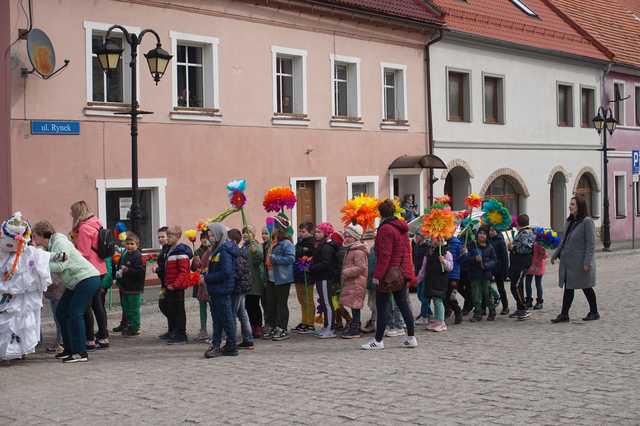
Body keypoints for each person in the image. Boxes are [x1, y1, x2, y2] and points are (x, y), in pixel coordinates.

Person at [32, 220, 101, 363]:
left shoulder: (60, 242)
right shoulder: (50, 246)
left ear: (42, 235)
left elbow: (62, 265)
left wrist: (40, 266)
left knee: (75, 313)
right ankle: (69, 349)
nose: (34, 240)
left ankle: (80, 352)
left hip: (86, 278)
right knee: (61, 312)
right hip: (76, 282)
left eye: (35, 237)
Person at [361, 199, 417, 350]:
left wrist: (377, 276)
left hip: (389, 274)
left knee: (382, 306)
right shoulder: (401, 227)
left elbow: (385, 255)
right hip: (402, 271)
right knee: (403, 304)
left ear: (381, 214)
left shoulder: (385, 229)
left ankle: (378, 340)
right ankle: (411, 337)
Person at [1, 213, 51, 361]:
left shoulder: (28, 253)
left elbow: (42, 257)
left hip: (21, 299)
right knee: (6, 325)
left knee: (21, 324)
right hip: (5, 296)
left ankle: (19, 351)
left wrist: (57, 256)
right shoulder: (3, 254)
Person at [551, 196, 599, 323]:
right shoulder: (570, 221)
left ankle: (594, 312)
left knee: (586, 287)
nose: (570, 206)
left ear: (579, 207)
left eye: (572, 204)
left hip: (581, 262)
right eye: (570, 204)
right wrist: (555, 254)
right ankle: (564, 314)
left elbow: (591, 244)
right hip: (569, 263)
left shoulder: (587, 222)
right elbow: (564, 240)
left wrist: (587, 262)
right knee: (569, 287)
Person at [69, 200, 109, 351]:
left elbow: (84, 253)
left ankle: (89, 338)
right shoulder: (96, 223)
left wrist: (72, 250)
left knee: (86, 306)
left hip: (89, 270)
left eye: (71, 211)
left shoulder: (84, 228)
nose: (70, 214)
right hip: (101, 267)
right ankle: (104, 336)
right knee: (98, 304)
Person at [204, 223, 239, 358]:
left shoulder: (223, 250)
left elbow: (226, 272)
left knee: (226, 319)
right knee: (218, 319)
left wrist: (207, 277)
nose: (210, 238)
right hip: (216, 289)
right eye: (209, 235)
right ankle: (217, 344)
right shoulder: (217, 249)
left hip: (222, 289)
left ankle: (231, 346)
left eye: (213, 235)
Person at [266, 217, 295, 341]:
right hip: (271, 278)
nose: (271, 228)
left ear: (279, 229)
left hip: (282, 279)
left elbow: (291, 259)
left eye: (273, 226)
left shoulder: (286, 243)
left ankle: (282, 328)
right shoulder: (272, 242)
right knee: (271, 304)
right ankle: (273, 327)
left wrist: (274, 258)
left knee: (281, 305)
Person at [309, 222, 340, 339]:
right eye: (315, 232)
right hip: (320, 277)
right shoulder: (321, 245)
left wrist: (312, 268)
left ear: (325, 233)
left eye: (319, 232)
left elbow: (326, 263)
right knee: (324, 301)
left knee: (327, 303)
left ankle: (330, 328)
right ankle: (326, 325)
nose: (316, 234)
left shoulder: (327, 247)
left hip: (325, 278)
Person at [163, 226, 193, 345]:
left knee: (179, 310)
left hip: (177, 287)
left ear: (178, 237)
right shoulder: (171, 249)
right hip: (170, 285)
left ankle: (181, 334)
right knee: (172, 310)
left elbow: (183, 271)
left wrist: (175, 285)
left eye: (171, 236)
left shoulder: (180, 251)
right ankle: (175, 331)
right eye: (168, 236)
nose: (168, 238)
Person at [416, 238, 453, 332]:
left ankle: (441, 322)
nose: (433, 241)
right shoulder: (429, 252)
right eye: (433, 239)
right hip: (430, 279)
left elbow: (450, 267)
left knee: (438, 300)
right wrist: (418, 279)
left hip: (440, 280)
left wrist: (444, 261)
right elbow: (424, 268)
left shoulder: (446, 253)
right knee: (434, 299)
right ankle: (437, 320)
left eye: (436, 239)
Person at [339, 224, 368, 339]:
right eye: (345, 235)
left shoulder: (358, 251)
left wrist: (346, 272)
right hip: (351, 282)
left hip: (357, 283)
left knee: (355, 306)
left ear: (355, 237)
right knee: (353, 305)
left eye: (349, 236)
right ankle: (355, 326)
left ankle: (355, 329)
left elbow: (361, 267)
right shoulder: (351, 249)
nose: (346, 238)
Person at [114, 232, 145, 336]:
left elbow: (140, 271)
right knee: (126, 307)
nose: (129, 246)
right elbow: (120, 266)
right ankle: (128, 324)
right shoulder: (125, 254)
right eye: (127, 244)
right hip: (125, 286)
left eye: (132, 244)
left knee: (133, 308)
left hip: (134, 287)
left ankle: (135, 327)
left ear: (137, 245)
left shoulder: (138, 256)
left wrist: (127, 270)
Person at [463, 226, 497, 322]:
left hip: (486, 275)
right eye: (480, 233)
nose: (482, 235)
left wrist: (486, 265)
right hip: (474, 275)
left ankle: (492, 311)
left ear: (487, 236)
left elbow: (494, 260)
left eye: (484, 234)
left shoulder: (490, 247)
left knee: (488, 295)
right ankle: (477, 313)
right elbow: (467, 259)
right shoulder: (472, 245)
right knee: (476, 295)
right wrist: (474, 259)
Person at [228, 228, 254, 350]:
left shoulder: (237, 253)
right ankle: (248, 338)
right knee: (242, 312)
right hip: (241, 286)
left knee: (232, 313)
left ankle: (231, 340)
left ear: (232, 240)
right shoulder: (240, 251)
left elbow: (238, 272)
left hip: (238, 287)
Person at [508, 214, 535, 320]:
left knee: (515, 286)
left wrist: (513, 248)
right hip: (517, 264)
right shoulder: (523, 232)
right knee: (517, 286)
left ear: (518, 223)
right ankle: (520, 308)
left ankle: (523, 309)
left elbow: (526, 249)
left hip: (522, 264)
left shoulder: (525, 233)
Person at [293, 222, 316, 334]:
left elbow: (308, 255)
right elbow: (296, 253)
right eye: (300, 231)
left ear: (310, 232)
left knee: (308, 299)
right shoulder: (300, 241)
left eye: (303, 232)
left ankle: (310, 323)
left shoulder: (312, 242)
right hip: (298, 273)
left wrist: (301, 253)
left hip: (307, 274)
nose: (301, 234)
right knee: (301, 299)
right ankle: (304, 321)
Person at [243, 226, 265, 338]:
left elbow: (259, 259)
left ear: (253, 234)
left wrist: (256, 253)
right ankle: (252, 325)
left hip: (255, 281)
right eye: (244, 233)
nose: (245, 234)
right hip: (246, 281)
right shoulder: (244, 246)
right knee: (248, 306)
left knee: (254, 305)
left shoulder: (255, 246)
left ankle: (258, 326)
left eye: (248, 232)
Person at [191, 230, 211, 342]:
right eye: (202, 237)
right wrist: (195, 263)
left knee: (213, 307)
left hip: (209, 282)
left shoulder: (213, 250)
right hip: (200, 283)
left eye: (207, 237)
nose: (204, 239)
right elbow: (193, 269)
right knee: (202, 307)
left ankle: (218, 329)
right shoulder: (197, 251)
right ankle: (203, 329)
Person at [154, 227, 171, 339]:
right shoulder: (164, 249)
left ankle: (174, 330)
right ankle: (171, 329)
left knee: (168, 305)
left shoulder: (170, 249)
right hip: (163, 284)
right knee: (163, 304)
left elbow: (167, 267)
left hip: (169, 283)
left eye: (162, 237)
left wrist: (158, 269)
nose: (160, 239)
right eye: (159, 237)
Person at [488, 227, 510, 315]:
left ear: (497, 231)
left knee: (501, 288)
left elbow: (505, 257)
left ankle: (505, 307)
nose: (491, 232)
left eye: (492, 230)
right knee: (487, 288)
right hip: (489, 267)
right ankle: (489, 306)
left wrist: (505, 271)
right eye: (490, 230)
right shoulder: (488, 240)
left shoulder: (500, 241)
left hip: (499, 269)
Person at [413, 233, 432, 324]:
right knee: (419, 295)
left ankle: (424, 316)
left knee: (424, 295)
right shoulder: (416, 246)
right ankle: (428, 311)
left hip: (425, 274)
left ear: (422, 236)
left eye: (417, 236)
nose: (415, 238)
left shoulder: (427, 247)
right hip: (418, 273)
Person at [445, 235, 464, 324]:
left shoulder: (457, 244)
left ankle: (458, 311)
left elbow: (460, 261)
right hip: (444, 274)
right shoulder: (443, 242)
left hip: (454, 274)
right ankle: (447, 310)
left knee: (451, 296)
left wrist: (463, 254)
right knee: (444, 295)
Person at [525, 240, 547, 310]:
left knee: (538, 284)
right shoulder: (529, 242)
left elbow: (545, 255)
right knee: (528, 283)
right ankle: (529, 300)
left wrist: (542, 251)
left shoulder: (539, 243)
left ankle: (539, 302)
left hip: (537, 265)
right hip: (530, 264)